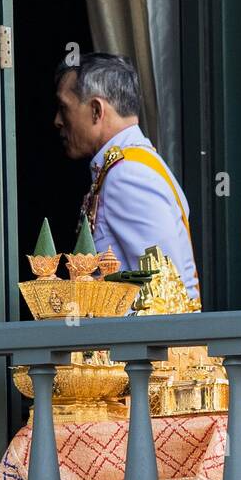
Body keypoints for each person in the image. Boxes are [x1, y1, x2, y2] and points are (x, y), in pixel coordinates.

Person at [54, 52, 199, 301]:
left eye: (64, 108)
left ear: (96, 111)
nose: (57, 121)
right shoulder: (130, 164)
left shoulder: (128, 174)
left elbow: (161, 292)